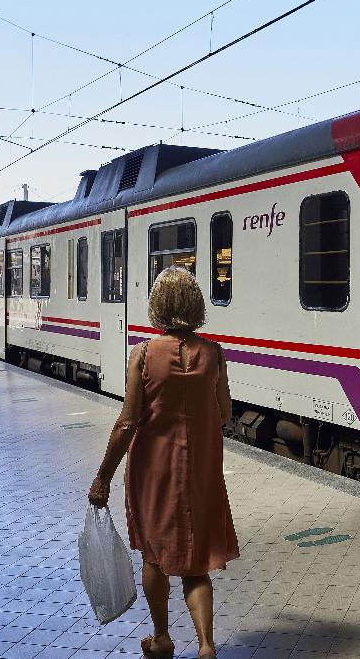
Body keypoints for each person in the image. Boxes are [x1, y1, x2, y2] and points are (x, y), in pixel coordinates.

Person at [89, 266, 239, 659]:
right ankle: (206, 645)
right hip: (201, 472)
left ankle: (162, 638)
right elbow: (224, 411)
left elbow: (127, 422)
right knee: (196, 562)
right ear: (196, 304)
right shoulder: (214, 354)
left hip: (153, 471)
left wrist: (103, 476)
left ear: (157, 305)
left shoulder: (142, 355)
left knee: (155, 556)